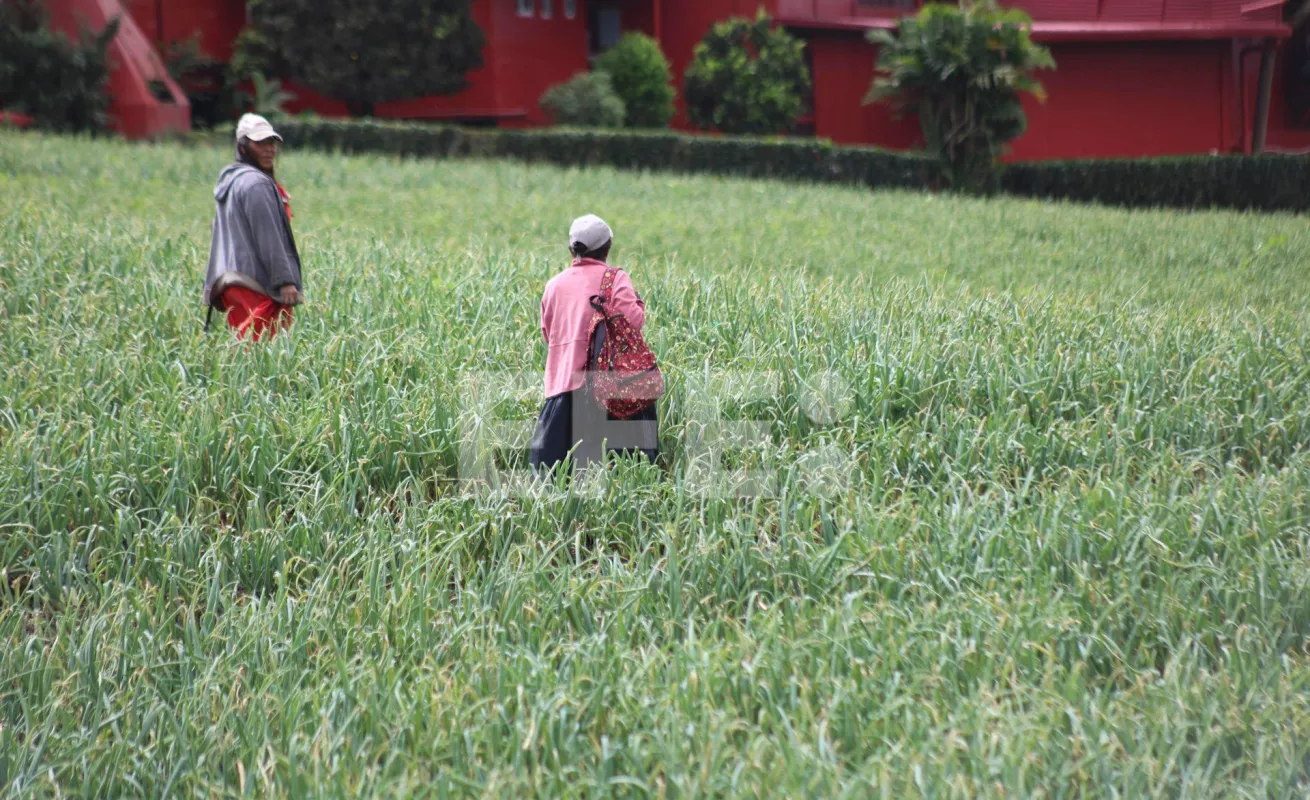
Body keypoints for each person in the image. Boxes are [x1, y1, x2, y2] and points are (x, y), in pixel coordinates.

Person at [530, 215, 659, 476]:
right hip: (612, 390)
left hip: (563, 389)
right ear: (607, 248)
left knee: (554, 478)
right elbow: (635, 321)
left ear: (572, 249)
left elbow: (548, 333)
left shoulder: (553, 286)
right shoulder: (616, 279)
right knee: (625, 475)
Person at [202, 113, 304, 341]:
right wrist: (285, 282)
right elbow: (269, 239)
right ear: (244, 147)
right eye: (260, 143)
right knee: (263, 357)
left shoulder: (231, 180)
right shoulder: (256, 184)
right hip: (256, 285)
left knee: (246, 354)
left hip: (232, 283)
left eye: (271, 143)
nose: (269, 149)